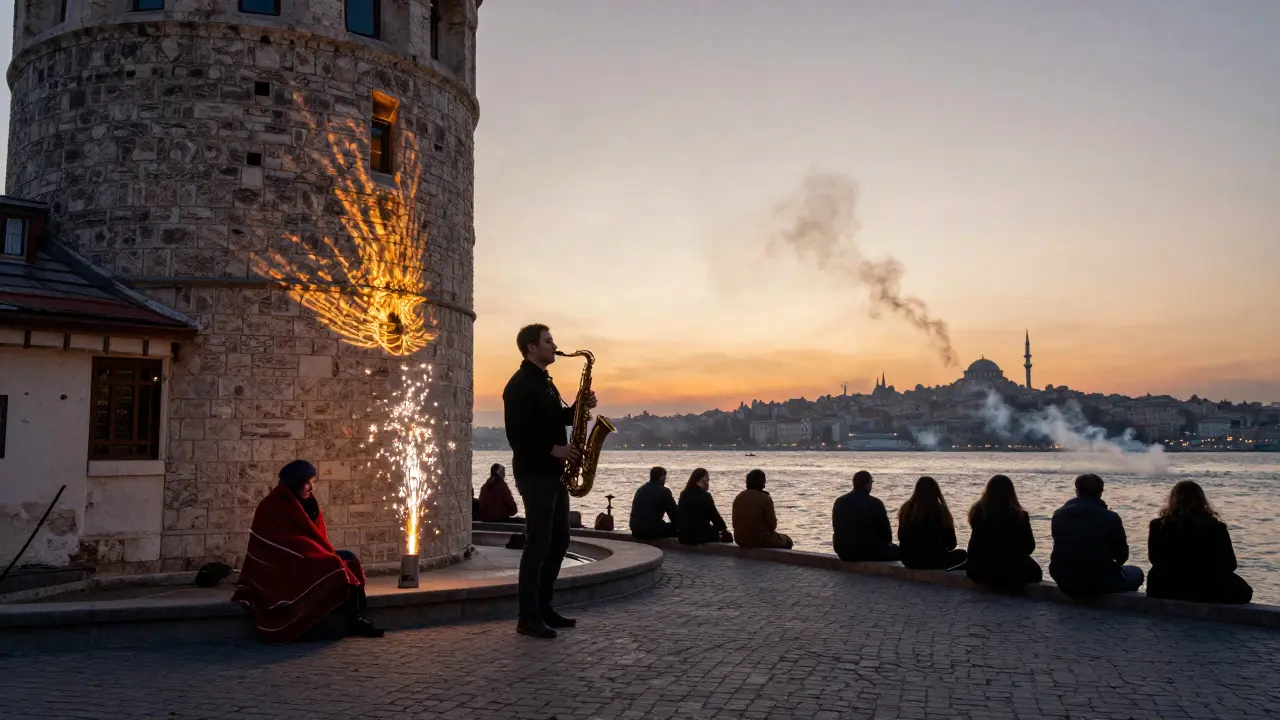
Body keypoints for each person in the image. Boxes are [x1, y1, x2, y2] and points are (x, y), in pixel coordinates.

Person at [502, 323, 597, 639]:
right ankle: (527, 617)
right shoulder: (519, 386)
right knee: (537, 544)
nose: (554, 345)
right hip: (535, 473)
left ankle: (543, 607)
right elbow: (517, 437)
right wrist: (554, 450)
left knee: (559, 541)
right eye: (548, 340)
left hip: (554, 473)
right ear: (531, 347)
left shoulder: (545, 383)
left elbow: (556, 419)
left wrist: (579, 407)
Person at [232, 460, 383, 643]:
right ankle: (330, 621)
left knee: (348, 559)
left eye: (313, 482)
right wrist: (312, 552)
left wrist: (317, 552)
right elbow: (278, 543)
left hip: (305, 555)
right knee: (333, 564)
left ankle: (356, 617)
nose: (311, 487)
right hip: (281, 564)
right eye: (307, 482)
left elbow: (317, 536)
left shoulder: (309, 503)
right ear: (295, 483)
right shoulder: (272, 505)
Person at [1146, 480, 1253, 604]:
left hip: (1162, 586)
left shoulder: (1157, 525)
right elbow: (1230, 564)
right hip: (1203, 587)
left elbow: (1154, 558)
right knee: (1244, 591)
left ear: (1172, 499)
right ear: (1202, 500)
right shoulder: (1215, 527)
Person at [1048, 474, 1144, 596]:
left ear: (1077, 491)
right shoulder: (1110, 517)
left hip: (1063, 578)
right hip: (1099, 579)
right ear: (1100, 493)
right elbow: (1122, 554)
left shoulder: (1059, 514)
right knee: (1136, 572)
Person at [966, 474, 1043, 590]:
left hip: (978, 570)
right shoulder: (1019, 516)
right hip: (1008, 571)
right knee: (1036, 571)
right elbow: (1029, 547)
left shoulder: (977, 513)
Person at [896, 476, 967, 570]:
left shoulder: (906, 508)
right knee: (963, 554)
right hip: (933, 561)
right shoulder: (940, 510)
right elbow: (951, 544)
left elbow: (900, 536)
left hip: (909, 560)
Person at [832, 470, 900, 562]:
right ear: (867, 485)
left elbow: (836, 527)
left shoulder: (840, 501)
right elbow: (887, 535)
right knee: (897, 550)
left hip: (844, 552)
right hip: (868, 552)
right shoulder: (876, 503)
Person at [731, 469, 793, 549]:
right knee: (788, 540)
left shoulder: (739, 497)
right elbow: (773, 525)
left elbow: (734, 522)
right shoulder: (765, 498)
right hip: (760, 540)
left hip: (740, 539)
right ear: (762, 483)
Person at [677, 468, 731, 545]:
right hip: (698, 536)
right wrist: (724, 530)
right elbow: (715, 516)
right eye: (707, 480)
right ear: (701, 480)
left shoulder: (683, 494)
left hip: (683, 536)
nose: (708, 483)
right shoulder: (705, 496)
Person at [629, 466, 680, 540]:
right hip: (651, 530)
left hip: (636, 530)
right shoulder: (664, 491)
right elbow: (674, 514)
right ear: (662, 478)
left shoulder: (641, 490)